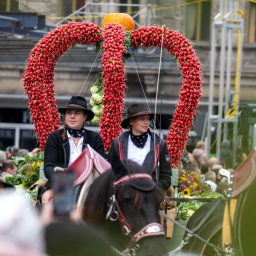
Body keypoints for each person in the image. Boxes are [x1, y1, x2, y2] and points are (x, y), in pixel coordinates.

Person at [41, 96, 106, 203]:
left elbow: (100, 168)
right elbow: (48, 167)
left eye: (77, 113)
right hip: (60, 184)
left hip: (87, 185)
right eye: (69, 113)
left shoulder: (95, 138)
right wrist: (63, 180)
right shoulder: (54, 137)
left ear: (85, 117)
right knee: (47, 198)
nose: (72, 116)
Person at [108, 103, 172, 191]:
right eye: (142, 119)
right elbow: (110, 171)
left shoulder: (159, 144)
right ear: (131, 122)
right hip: (125, 194)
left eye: (148, 119)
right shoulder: (118, 143)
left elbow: (166, 177)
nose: (146, 122)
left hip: (150, 195)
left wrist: (154, 190)